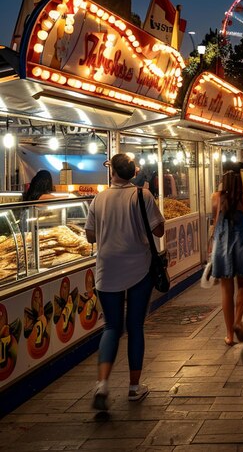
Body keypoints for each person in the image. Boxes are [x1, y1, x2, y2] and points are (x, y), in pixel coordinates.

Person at [85, 153, 165, 410]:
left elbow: (89, 237)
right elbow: (159, 229)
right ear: (132, 173)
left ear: (113, 173)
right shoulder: (143, 195)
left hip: (107, 269)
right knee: (135, 327)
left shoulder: (99, 198)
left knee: (111, 327)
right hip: (139, 268)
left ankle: (102, 384)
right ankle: (133, 388)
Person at [211, 170, 243, 347]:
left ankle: (229, 335)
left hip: (222, 241)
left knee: (226, 289)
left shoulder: (216, 197)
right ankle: (238, 321)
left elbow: (214, 219)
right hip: (242, 241)